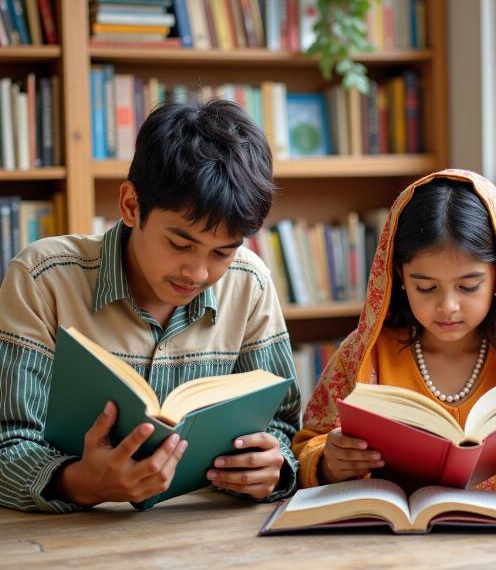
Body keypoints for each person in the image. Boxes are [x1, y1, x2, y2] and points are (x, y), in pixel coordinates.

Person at [0, 100, 300, 512]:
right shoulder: (43, 278)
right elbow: (6, 444)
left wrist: (272, 467)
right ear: (130, 205)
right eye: (180, 244)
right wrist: (81, 484)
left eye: (222, 253)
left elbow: (282, 427)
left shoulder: (250, 282)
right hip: (67, 537)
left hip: (208, 532)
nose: (197, 272)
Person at [292, 169, 496, 495]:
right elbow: (307, 446)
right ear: (399, 276)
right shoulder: (364, 351)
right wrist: (329, 462)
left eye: (469, 286)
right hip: (393, 540)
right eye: (425, 287)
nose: (448, 306)